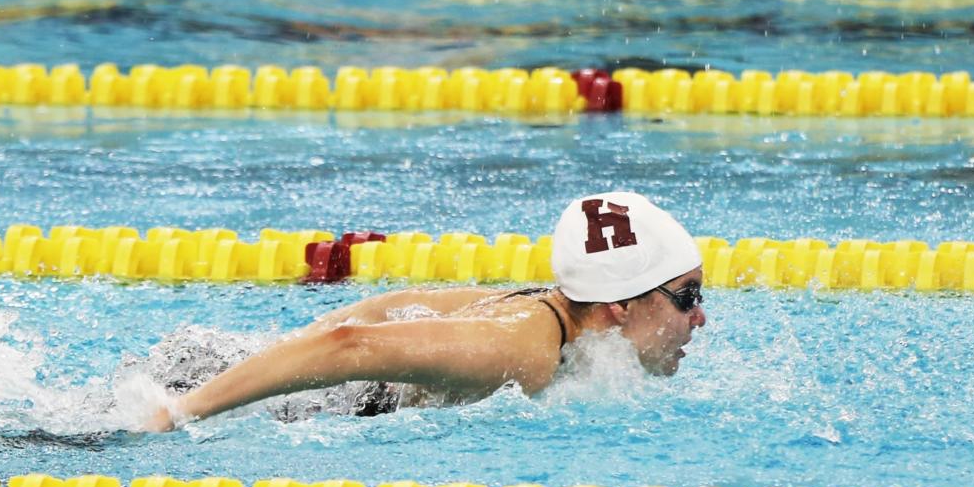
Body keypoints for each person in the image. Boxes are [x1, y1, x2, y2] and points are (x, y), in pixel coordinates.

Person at [144, 191, 705, 431]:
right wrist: (179, 412)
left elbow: (391, 306)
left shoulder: (548, 312)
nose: (699, 319)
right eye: (688, 296)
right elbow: (352, 344)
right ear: (620, 307)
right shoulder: (525, 352)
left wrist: (280, 348)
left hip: (229, 364)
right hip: (263, 399)